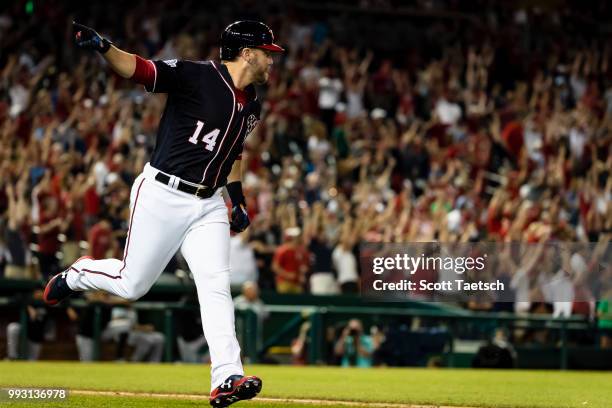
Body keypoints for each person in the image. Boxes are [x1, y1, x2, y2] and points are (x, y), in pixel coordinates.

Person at [43, 19, 284, 407]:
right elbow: (141, 69)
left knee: (215, 286)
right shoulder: (197, 76)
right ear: (247, 53)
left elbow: (234, 153)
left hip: (208, 205)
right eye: (268, 54)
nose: (272, 62)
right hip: (162, 194)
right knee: (132, 285)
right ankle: (78, 274)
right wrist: (105, 47)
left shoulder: (252, 102)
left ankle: (226, 377)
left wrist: (236, 199)